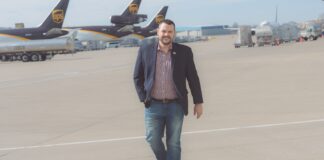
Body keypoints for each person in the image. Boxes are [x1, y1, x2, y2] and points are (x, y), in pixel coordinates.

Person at [133, 19, 204, 160]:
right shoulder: (145, 50)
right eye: (164, 31)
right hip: (153, 105)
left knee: (174, 143)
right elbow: (137, 76)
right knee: (152, 139)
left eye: (170, 31)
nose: (166, 34)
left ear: (174, 34)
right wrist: (143, 97)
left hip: (175, 105)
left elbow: (193, 78)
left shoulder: (185, 52)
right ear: (158, 32)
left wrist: (198, 102)